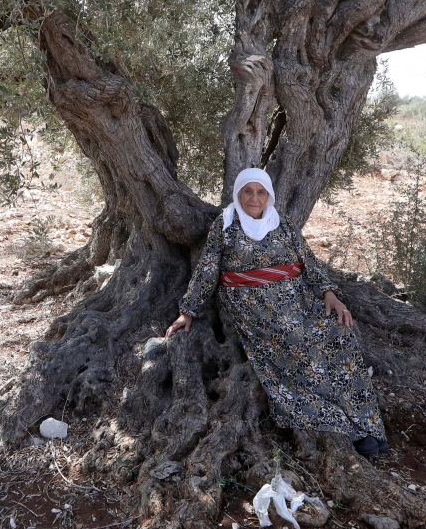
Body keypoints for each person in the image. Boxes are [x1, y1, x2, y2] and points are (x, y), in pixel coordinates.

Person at [165, 168, 390, 458]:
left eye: (261, 192)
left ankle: (367, 424)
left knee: (336, 333)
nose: (254, 198)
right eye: (248, 191)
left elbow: (308, 261)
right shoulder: (225, 226)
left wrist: (329, 294)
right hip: (255, 306)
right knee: (297, 340)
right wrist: (189, 311)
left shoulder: (282, 224)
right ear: (239, 194)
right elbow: (207, 271)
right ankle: (342, 425)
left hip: (298, 300)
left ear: (268, 195)